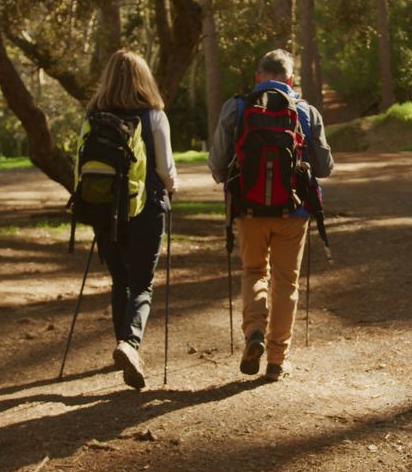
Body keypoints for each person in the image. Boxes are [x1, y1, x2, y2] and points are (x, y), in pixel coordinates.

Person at [208, 49, 334, 381]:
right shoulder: (305, 111)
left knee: (253, 272)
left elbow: (218, 163)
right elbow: (325, 167)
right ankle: (277, 360)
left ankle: (254, 333)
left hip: (248, 208)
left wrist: (233, 181)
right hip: (294, 210)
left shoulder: (237, 107)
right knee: (286, 281)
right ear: (290, 80)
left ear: (258, 76)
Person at [84, 50, 177, 390]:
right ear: (144, 78)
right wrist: (173, 188)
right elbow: (165, 167)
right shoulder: (153, 116)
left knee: (119, 279)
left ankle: (123, 344)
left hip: (104, 209)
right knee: (142, 283)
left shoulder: (94, 115)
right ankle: (130, 344)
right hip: (146, 208)